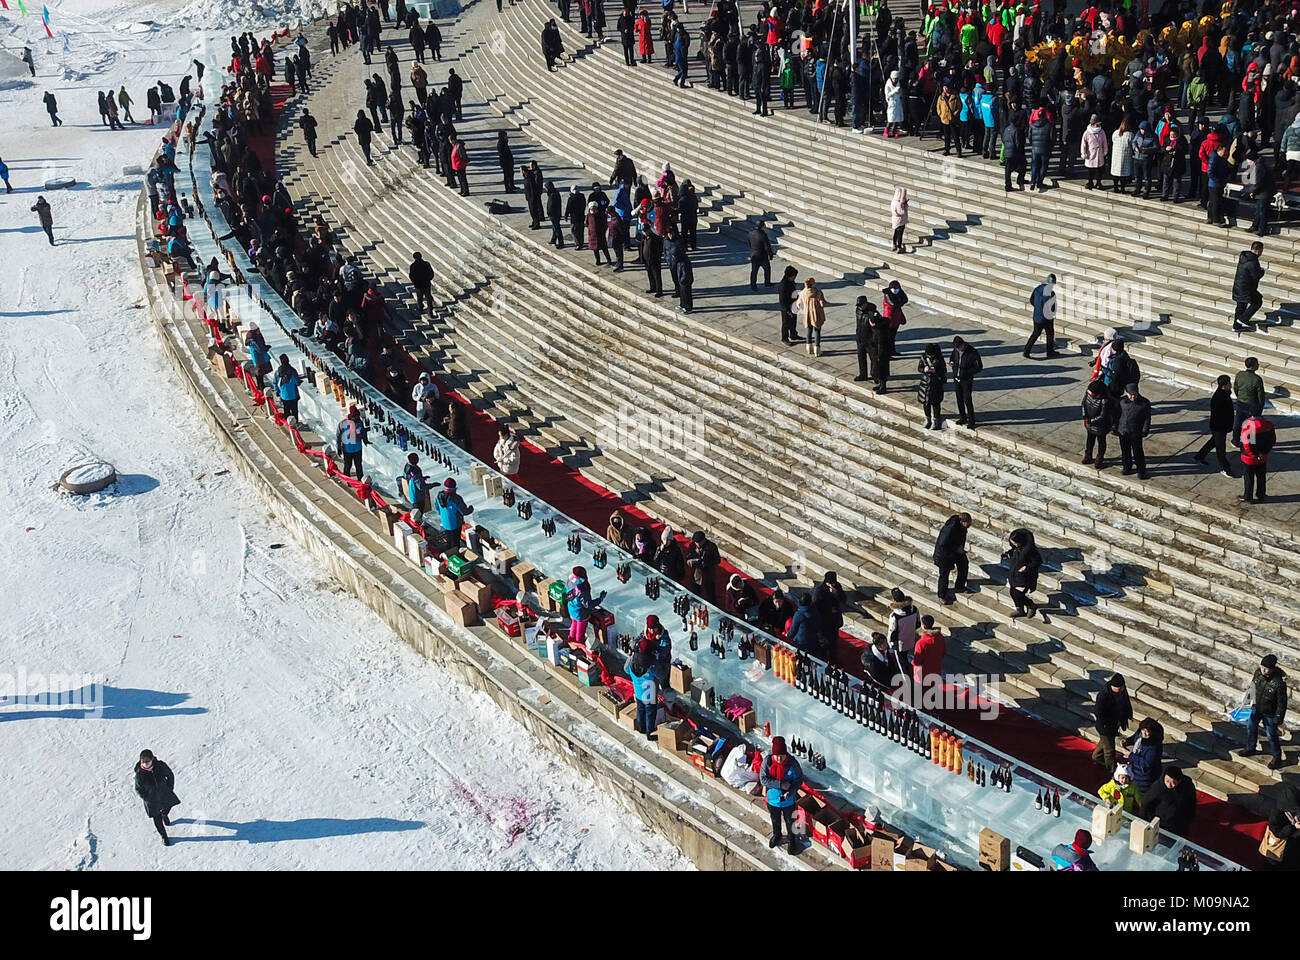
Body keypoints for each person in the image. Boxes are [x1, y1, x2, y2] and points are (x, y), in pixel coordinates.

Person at [759, 736, 803, 854]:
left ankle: (792, 840)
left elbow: (799, 780)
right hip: (773, 799)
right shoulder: (767, 762)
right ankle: (777, 835)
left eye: (782, 755)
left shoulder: (792, 764)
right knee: (775, 820)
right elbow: (763, 779)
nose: (779, 758)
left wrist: (791, 791)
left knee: (790, 821)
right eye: (776, 756)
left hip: (788, 801)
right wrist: (780, 784)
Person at [1244, 654, 1288, 770]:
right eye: (1262, 667)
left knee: (1271, 735)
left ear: (1272, 669)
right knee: (1251, 727)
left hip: (1270, 713)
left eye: (1266, 668)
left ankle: (1276, 757)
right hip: (1256, 707)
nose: (1263, 670)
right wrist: (1247, 701)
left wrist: (1278, 718)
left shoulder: (1278, 683)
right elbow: (1252, 687)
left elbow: (1282, 703)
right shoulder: (1258, 673)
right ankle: (1250, 747)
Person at [134, 749, 180, 846]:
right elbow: (138, 789)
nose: (145, 763)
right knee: (157, 819)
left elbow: (170, 775)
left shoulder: (160, 766)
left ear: (152, 759)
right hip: (151, 800)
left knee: (168, 806)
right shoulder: (139, 774)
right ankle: (164, 836)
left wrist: (169, 787)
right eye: (143, 761)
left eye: (147, 761)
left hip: (164, 793)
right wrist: (146, 797)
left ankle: (164, 814)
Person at [1194, 375, 1236, 478]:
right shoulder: (1219, 397)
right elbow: (1220, 415)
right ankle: (1224, 468)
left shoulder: (1224, 394)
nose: (1231, 385)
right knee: (1220, 449)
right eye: (1229, 383)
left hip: (1221, 426)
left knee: (1213, 442)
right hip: (1219, 427)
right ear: (1224, 385)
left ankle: (1199, 456)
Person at [1138, 766, 1196, 837]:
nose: (1169, 785)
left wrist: (1190, 816)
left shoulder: (1187, 784)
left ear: (1179, 781)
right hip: (1163, 823)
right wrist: (1143, 822)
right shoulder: (1158, 787)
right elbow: (1145, 803)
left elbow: (1192, 800)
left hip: (1180, 822)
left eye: (1173, 782)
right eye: (1167, 781)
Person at [1091, 673, 1133, 772]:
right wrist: (1108, 722)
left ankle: (1096, 756)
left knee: (1105, 742)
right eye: (1116, 689)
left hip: (1114, 723)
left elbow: (1125, 702)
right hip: (1106, 726)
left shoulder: (1121, 690)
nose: (1119, 691)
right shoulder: (1103, 695)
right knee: (1109, 751)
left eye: (1120, 688)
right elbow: (1098, 712)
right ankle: (1111, 771)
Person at [1239, 410, 1277, 505]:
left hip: (1249, 458)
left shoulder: (1248, 425)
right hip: (1263, 457)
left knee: (1249, 477)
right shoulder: (1269, 425)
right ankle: (1261, 495)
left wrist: (1255, 455)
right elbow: (1272, 440)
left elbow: (1247, 444)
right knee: (1261, 476)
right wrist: (1263, 453)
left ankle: (1248, 497)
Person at [1120, 718, 1165, 795]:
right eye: (1143, 730)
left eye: (1148, 731)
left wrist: (1131, 755)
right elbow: (1135, 737)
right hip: (1136, 769)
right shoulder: (1140, 733)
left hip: (1145, 775)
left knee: (1143, 792)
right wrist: (1128, 741)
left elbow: (1147, 764)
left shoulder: (1153, 747)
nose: (1145, 733)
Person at [933, 513, 970, 605]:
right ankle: (941, 595)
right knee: (944, 575)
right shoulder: (950, 528)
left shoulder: (962, 527)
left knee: (964, 564)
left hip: (955, 551)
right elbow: (943, 543)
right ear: (963, 522)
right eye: (968, 523)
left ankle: (960, 586)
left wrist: (960, 548)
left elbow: (961, 538)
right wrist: (957, 548)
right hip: (944, 555)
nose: (969, 525)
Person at [1116, 382, 1152, 480]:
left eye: (1134, 394)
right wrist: (1115, 427)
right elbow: (1117, 415)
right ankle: (1127, 467)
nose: (1132, 397)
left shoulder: (1144, 403)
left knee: (1138, 452)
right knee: (1125, 451)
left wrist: (1145, 430)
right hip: (1123, 430)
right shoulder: (1122, 402)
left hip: (1136, 431)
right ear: (1126, 393)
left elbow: (1147, 418)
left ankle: (1141, 470)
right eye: (1130, 394)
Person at [1005, 528, 1042, 619]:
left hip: (1026, 577)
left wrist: (1027, 567)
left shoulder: (1030, 550)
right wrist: (1007, 554)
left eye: (1015, 543)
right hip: (1016, 575)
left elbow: (1038, 561)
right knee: (1013, 592)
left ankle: (1031, 605)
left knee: (1018, 593)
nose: (1014, 544)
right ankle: (1020, 610)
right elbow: (1013, 552)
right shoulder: (1017, 548)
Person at [626, 646, 660, 739]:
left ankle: (641, 728)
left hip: (638, 694)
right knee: (650, 714)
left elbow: (626, 669)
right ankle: (650, 733)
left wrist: (630, 656)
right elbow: (659, 675)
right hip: (650, 697)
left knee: (640, 711)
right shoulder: (650, 671)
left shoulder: (631, 668)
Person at [1080, 378, 1115, 468]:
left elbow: (1103, 415)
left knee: (1101, 441)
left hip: (1101, 426)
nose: (1089, 394)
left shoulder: (1105, 401)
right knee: (1090, 439)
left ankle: (1099, 458)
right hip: (1089, 423)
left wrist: (1091, 421)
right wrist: (1085, 416)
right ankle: (1088, 455)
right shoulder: (1088, 393)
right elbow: (1083, 404)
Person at [1232, 357, 1266, 447]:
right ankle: (1249, 443)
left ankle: (1235, 440)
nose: (1258, 365)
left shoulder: (1239, 374)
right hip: (1253, 405)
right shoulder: (1257, 379)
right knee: (1251, 425)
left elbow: (1235, 388)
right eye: (1257, 364)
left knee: (1238, 423)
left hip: (1240, 402)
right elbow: (1260, 396)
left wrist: (1240, 397)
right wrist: (1260, 406)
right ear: (1254, 366)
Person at [811, 571, 845, 661]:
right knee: (825, 642)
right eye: (829, 583)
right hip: (824, 621)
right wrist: (829, 609)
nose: (831, 585)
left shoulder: (837, 587)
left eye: (833, 583)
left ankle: (833, 659)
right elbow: (816, 605)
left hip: (834, 620)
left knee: (834, 641)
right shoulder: (819, 590)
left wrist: (836, 594)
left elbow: (843, 599)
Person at [949, 337, 982, 428]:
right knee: (959, 399)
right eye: (956, 348)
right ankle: (962, 417)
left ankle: (971, 421)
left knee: (967, 400)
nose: (958, 349)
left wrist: (966, 372)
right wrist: (951, 363)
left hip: (966, 380)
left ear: (963, 345)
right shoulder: (955, 350)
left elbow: (979, 367)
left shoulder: (972, 352)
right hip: (957, 378)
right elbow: (952, 358)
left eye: (959, 347)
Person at [1232, 241, 1266, 331]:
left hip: (1238, 286)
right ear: (1259, 251)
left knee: (1240, 306)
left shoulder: (1244, 256)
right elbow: (1256, 276)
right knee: (1257, 301)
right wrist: (1262, 271)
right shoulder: (1253, 262)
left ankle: (1236, 326)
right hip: (1246, 288)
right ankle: (1243, 319)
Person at [1024, 274, 1058, 359]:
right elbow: (1052, 308)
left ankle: (1026, 351)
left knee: (1035, 333)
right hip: (1046, 318)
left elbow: (1031, 300)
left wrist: (1038, 308)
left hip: (1037, 316)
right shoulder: (1051, 294)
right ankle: (1050, 352)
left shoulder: (1037, 289)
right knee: (1050, 334)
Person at [433, 477, 472, 548]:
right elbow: (464, 511)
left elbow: (437, 508)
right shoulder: (456, 499)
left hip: (445, 523)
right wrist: (471, 508)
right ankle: (455, 553)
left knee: (449, 539)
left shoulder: (439, 496)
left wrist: (443, 514)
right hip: (455, 524)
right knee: (455, 541)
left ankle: (449, 551)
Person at [885, 586, 919, 667]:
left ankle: (907, 678)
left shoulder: (894, 616)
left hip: (899, 644)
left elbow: (892, 632)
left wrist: (890, 643)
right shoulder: (914, 609)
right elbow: (918, 624)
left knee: (902, 664)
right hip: (911, 638)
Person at [912, 615, 945, 689]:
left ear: (923, 625)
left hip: (924, 672)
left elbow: (917, 661)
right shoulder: (940, 637)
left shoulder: (921, 643)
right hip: (936, 667)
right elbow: (943, 651)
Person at [917, 342, 946, 429]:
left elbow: (943, 370)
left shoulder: (939, 359)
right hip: (925, 383)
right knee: (926, 403)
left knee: (936, 403)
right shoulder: (923, 357)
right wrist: (924, 369)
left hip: (936, 383)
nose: (929, 357)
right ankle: (928, 418)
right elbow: (919, 368)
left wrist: (935, 370)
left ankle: (936, 419)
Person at [685, 530, 720, 603]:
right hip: (697, 573)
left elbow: (717, 560)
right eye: (696, 542)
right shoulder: (692, 546)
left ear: (703, 540)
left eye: (698, 542)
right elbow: (688, 557)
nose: (697, 544)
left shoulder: (711, 547)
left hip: (708, 573)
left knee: (710, 593)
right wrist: (691, 561)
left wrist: (706, 563)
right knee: (695, 592)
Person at [797, 276, 826, 356]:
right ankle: (817, 349)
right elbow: (822, 303)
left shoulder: (803, 292)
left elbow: (798, 304)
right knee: (817, 331)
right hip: (816, 314)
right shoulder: (817, 292)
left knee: (809, 331)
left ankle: (809, 348)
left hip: (807, 314)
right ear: (813, 284)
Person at [336, 405, 367, 479]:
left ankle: (360, 481)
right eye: (355, 417)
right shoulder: (342, 424)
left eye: (357, 417)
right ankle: (348, 480)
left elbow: (363, 432)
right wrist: (339, 448)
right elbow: (338, 436)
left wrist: (365, 440)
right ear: (351, 416)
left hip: (358, 449)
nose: (357, 418)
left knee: (359, 466)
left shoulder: (359, 423)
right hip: (347, 450)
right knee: (347, 466)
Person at [1081, 114, 1108, 189]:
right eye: (1097, 124)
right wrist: (1083, 153)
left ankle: (1099, 183)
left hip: (1099, 155)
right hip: (1090, 155)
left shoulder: (1102, 132)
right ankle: (1090, 183)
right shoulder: (1087, 133)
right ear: (1092, 124)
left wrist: (1105, 151)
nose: (1098, 126)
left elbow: (1104, 142)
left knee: (1099, 171)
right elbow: (1083, 144)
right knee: (1090, 172)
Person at [747, 221, 774, 289]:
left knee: (754, 271)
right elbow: (767, 246)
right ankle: (767, 283)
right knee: (767, 269)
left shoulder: (750, 233)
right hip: (762, 256)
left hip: (754, 255)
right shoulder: (763, 234)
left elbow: (749, 243)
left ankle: (753, 285)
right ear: (762, 226)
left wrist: (752, 250)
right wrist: (770, 255)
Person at [274, 355, 301, 420]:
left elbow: (276, 383)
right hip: (293, 395)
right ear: (288, 360)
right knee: (294, 411)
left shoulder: (278, 372)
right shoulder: (292, 371)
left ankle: (288, 424)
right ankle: (295, 423)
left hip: (284, 395)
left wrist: (277, 391)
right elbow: (297, 383)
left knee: (286, 410)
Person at [779, 265, 799, 344]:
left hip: (793, 305)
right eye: (793, 276)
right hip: (786, 307)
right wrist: (787, 309)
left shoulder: (791, 282)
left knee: (793, 321)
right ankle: (784, 338)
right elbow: (783, 299)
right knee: (786, 323)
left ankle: (793, 334)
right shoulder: (783, 285)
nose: (794, 278)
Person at [890, 186, 909, 253]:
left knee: (895, 233)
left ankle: (894, 245)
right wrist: (905, 205)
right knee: (900, 234)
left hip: (894, 219)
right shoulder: (899, 203)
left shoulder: (893, 201)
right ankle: (899, 247)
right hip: (900, 220)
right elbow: (902, 212)